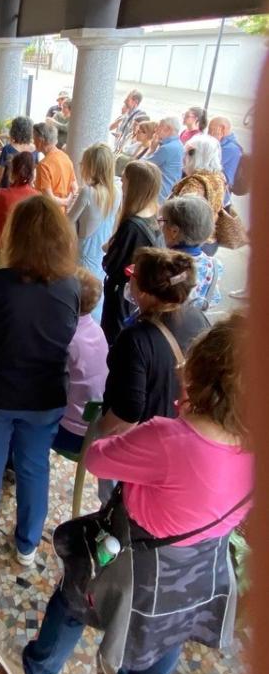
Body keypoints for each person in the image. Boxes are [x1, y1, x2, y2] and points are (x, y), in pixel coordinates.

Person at [0, 315, 252, 674]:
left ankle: (34, 673)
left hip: (133, 555)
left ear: (201, 374)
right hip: (203, 564)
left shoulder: (167, 438)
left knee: (74, 600)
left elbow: (98, 459)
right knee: (172, 628)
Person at [0, 196, 79, 566]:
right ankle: (27, 545)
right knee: (34, 467)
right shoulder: (70, 286)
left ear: (15, 236)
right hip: (46, 395)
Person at [99, 247, 209, 445]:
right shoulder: (198, 317)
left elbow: (127, 413)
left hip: (145, 440)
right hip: (180, 434)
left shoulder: (135, 339)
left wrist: (101, 434)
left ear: (143, 291)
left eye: (132, 274)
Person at [100, 160, 162, 345]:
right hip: (136, 293)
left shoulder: (131, 226)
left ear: (134, 185)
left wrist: (109, 249)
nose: (121, 183)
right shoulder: (155, 216)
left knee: (113, 337)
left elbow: (111, 265)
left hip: (121, 294)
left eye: (124, 179)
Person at [53, 269, 109, 457]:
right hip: (92, 426)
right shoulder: (97, 330)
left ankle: (12, 463)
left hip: (68, 431)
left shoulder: (67, 337)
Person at [67, 142, 120, 321]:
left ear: (91, 166)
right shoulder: (116, 192)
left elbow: (67, 221)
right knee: (96, 294)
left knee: (79, 293)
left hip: (84, 251)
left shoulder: (87, 192)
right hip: (102, 250)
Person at [0, 152, 38, 269]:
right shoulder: (37, 196)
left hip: (1, 242)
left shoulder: (2, 195)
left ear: (12, 171)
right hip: (25, 246)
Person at [159, 195, 222, 309]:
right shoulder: (215, 266)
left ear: (174, 231)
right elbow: (214, 300)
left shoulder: (165, 266)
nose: (160, 225)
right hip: (194, 319)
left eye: (163, 221)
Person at [33, 119, 77, 209]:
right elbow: (75, 188)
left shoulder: (44, 165)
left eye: (34, 139)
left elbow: (49, 199)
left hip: (49, 212)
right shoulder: (66, 157)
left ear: (40, 140)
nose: (33, 142)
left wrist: (66, 201)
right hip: (62, 212)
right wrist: (67, 200)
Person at [145, 117, 184, 202]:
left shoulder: (168, 148)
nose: (156, 129)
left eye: (159, 126)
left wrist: (151, 149)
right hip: (168, 190)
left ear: (168, 129)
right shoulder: (179, 144)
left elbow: (143, 165)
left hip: (160, 193)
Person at [0, 115, 37, 188]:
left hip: (7, 188)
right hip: (25, 189)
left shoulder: (8, 149)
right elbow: (34, 174)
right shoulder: (35, 149)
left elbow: (0, 175)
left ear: (14, 130)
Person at [208, 116, 244, 199]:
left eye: (211, 129)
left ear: (222, 129)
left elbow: (208, 165)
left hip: (219, 195)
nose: (208, 133)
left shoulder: (230, 148)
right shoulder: (223, 144)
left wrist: (214, 142)